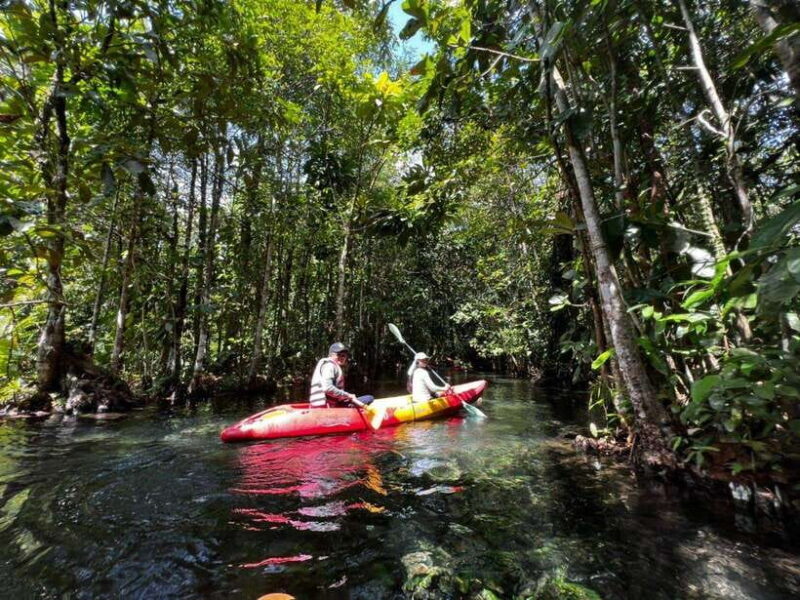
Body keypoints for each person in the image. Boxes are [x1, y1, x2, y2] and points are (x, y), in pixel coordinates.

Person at [309, 342, 374, 408]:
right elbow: (327, 388)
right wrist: (348, 395)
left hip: (326, 405)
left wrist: (345, 397)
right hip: (326, 407)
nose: (342, 357)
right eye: (339, 355)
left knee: (365, 398)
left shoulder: (330, 365)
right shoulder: (329, 365)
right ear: (331, 355)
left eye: (344, 355)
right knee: (369, 398)